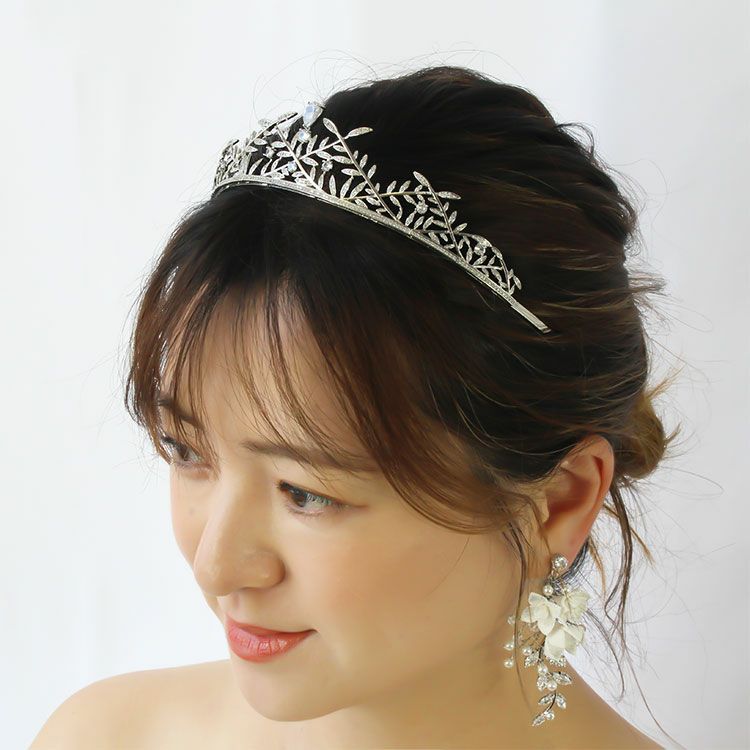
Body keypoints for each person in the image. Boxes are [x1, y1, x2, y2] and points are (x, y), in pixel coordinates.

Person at [31, 65, 681, 749]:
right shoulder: (103, 737)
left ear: (559, 502)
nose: (215, 566)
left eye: (306, 493)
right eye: (186, 451)